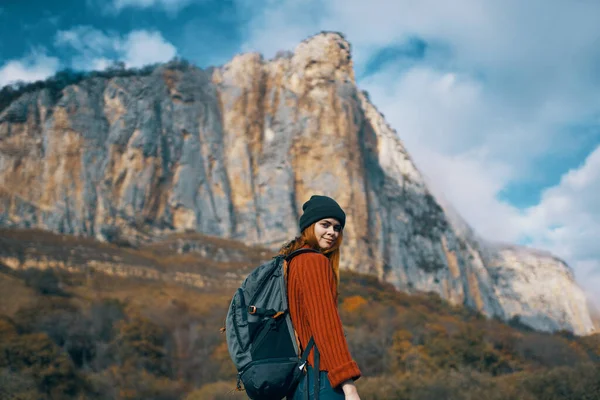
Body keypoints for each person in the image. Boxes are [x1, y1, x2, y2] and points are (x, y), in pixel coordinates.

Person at [280, 195, 362, 400]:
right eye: (325, 224)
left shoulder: (291, 261)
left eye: (337, 228)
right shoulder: (313, 262)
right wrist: (348, 384)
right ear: (309, 225)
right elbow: (326, 325)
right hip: (321, 378)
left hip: (299, 380)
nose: (332, 232)